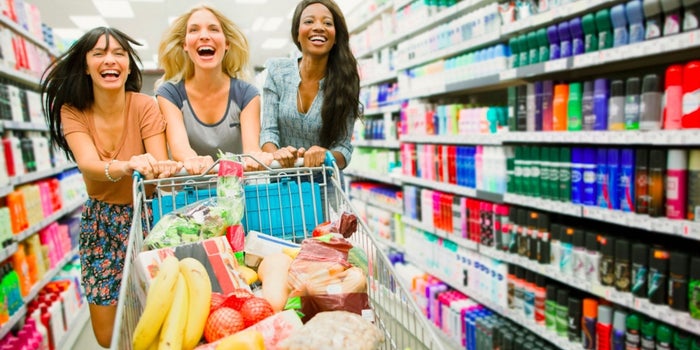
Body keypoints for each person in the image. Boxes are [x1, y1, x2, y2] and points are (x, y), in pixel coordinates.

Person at [40, 27, 180, 347]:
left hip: (148, 219)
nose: (110, 59)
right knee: (107, 335)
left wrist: (162, 168)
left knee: (160, 319)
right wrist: (128, 165)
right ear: (86, 65)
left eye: (119, 53)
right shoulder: (73, 111)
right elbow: (88, 164)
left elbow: (156, 171)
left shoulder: (144, 105)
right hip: (101, 223)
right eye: (99, 53)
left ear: (129, 66)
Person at [155, 4, 272, 173]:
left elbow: (251, 150)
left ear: (227, 44)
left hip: (236, 192)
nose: (204, 36)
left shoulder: (247, 94)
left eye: (213, 29)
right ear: (185, 45)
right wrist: (193, 160)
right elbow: (181, 149)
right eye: (194, 30)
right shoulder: (169, 94)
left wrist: (258, 156)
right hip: (191, 193)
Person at [260, 0, 362, 170]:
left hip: (324, 186)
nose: (319, 27)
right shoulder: (277, 72)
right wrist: (276, 153)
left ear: (336, 37)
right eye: (309, 21)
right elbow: (268, 132)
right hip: (281, 183)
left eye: (327, 23)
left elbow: (344, 149)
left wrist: (326, 155)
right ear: (297, 33)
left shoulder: (346, 82)